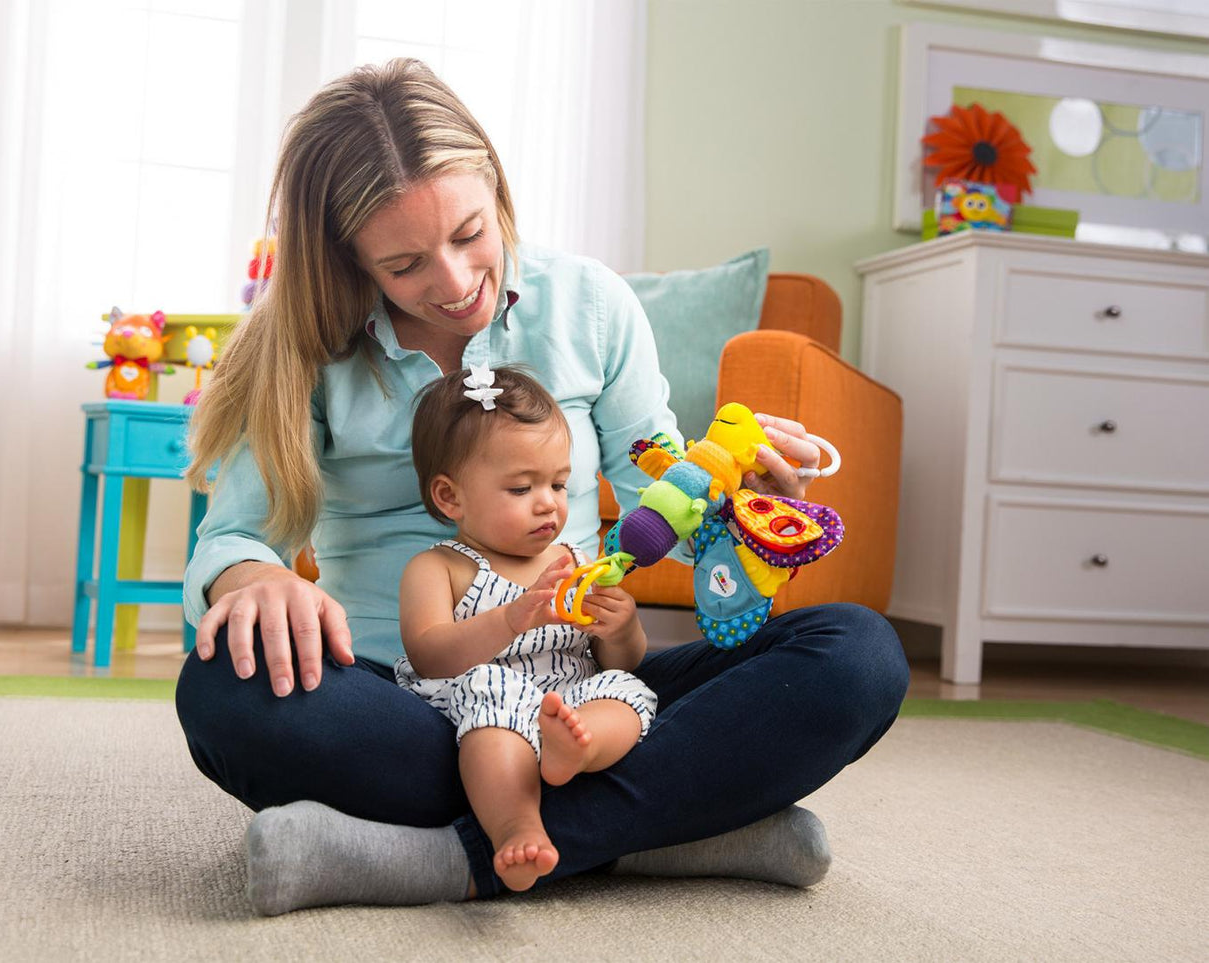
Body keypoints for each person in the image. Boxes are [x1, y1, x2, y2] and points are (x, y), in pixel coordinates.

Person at [176, 57, 908, 917]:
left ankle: (449, 858)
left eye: (468, 234)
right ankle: (674, 832)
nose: (452, 284)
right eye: (404, 263)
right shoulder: (303, 344)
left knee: (856, 656)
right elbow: (230, 537)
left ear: (493, 183)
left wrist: (731, 481)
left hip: (581, 696)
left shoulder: (588, 302)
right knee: (221, 689)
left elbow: (658, 487)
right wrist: (252, 578)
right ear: (347, 256)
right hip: (402, 698)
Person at [396, 365, 657, 892]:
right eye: (521, 488)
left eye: (559, 483)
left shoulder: (575, 559)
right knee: (493, 686)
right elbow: (430, 656)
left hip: (567, 706)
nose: (549, 503)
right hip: (484, 708)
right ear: (451, 498)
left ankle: (579, 751)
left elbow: (619, 663)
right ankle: (516, 824)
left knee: (630, 690)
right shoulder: (441, 567)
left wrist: (621, 628)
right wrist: (511, 617)